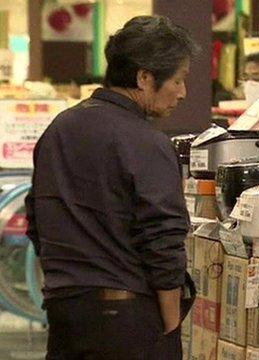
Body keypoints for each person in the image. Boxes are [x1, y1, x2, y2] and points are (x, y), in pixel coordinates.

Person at [25, 15, 198, 359]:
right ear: (145, 77)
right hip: (127, 316)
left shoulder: (59, 129)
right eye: (178, 81)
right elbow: (162, 236)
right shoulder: (146, 141)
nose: (182, 92)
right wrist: (171, 323)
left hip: (65, 311)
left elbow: (37, 217)